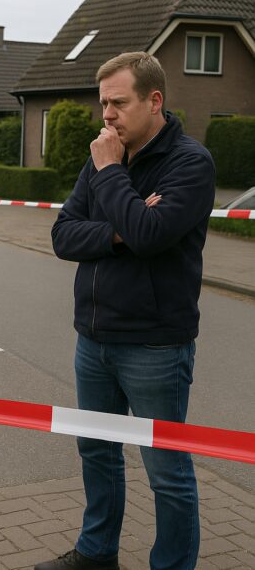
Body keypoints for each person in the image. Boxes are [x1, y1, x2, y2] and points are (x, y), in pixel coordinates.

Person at [38, 52, 215, 570]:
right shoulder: (100, 158)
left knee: (166, 469)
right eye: (103, 104)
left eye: (118, 103)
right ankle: (97, 554)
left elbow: (151, 235)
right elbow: (63, 235)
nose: (106, 116)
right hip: (93, 338)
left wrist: (112, 174)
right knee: (97, 452)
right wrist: (118, 231)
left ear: (154, 101)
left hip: (156, 344)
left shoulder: (190, 162)